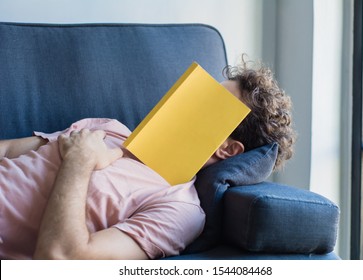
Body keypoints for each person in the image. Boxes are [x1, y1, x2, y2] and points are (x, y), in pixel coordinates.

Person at [0, 59, 296, 260]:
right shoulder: (109, 128)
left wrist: (79, 163)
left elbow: (62, 260)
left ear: (228, 149)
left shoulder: (180, 209)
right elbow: (8, 150)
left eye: (208, 105)